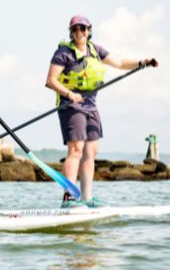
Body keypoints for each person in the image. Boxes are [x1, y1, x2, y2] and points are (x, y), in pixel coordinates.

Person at [45, 15, 158, 208]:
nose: (79, 32)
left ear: (89, 30)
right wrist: (70, 94)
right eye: (75, 29)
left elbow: (120, 63)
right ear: (71, 32)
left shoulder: (96, 51)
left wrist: (143, 62)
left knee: (91, 152)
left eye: (83, 29)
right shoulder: (63, 53)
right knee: (76, 150)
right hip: (70, 106)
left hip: (91, 105)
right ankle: (69, 198)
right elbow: (50, 80)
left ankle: (87, 199)